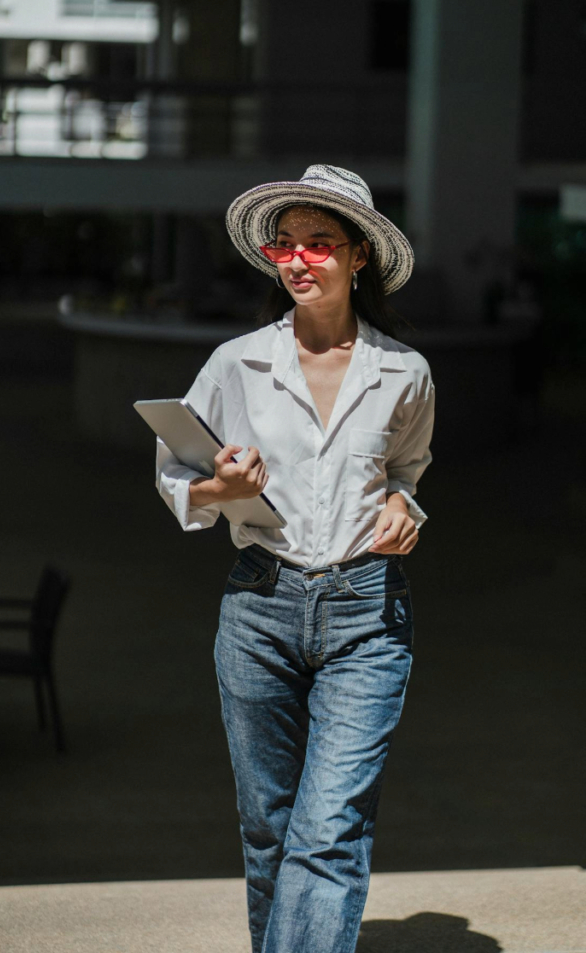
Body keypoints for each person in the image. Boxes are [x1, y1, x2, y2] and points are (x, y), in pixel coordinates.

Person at [155, 164, 435, 953]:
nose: (300, 259)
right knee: (269, 829)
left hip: (366, 615)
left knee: (328, 829)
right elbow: (176, 477)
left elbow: (407, 471)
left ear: (358, 258)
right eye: (286, 245)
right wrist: (219, 486)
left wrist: (402, 506)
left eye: (319, 243)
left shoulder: (404, 373)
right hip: (259, 606)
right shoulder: (234, 363)